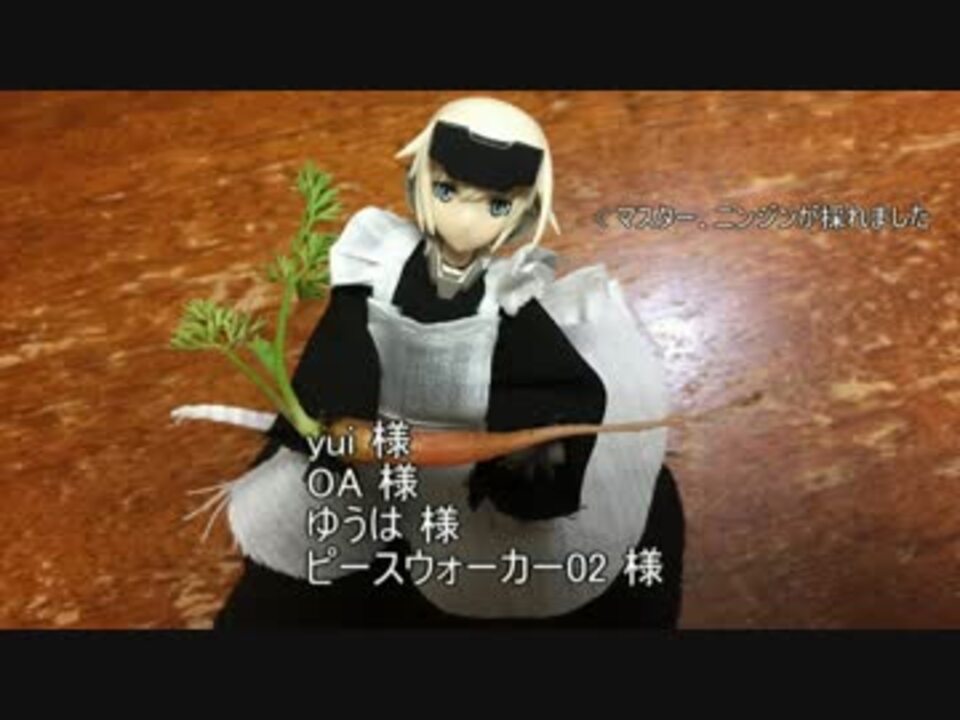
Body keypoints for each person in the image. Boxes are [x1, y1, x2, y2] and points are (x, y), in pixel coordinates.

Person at [212, 97, 685, 628]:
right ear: (416, 183)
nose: (465, 218)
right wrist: (330, 422)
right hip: (372, 453)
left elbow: (554, 379)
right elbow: (341, 347)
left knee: (472, 566)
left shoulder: (508, 299)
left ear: (526, 215)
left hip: (465, 475)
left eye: (497, 205)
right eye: (446, 191)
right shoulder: (377, 267)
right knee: (316, 561)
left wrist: (533, 445)